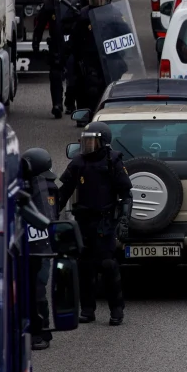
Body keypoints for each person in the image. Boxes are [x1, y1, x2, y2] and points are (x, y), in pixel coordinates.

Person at [57, 121, 131, 325]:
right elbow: (64, 191)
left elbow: (125, 194)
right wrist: (52, 211)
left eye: (92, 142)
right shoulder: (79, 162)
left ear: (104, 143)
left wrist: (124, 220)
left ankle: (116, 310)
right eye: (85, 141)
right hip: (84, 221)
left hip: (105, 221)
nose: (88, 146)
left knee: (108, 265)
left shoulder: (113, 161)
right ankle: (88, 310)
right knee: (85, 266)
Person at [21, 147, 58, 350]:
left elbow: (47, 219)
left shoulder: (45, 187)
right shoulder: (25, 185)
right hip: (24, 246)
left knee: (37, 290)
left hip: (39, 247)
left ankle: (42, 332)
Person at [33, 0, 77, 119]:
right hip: (57, 45)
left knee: (74, 74)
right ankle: (57, 104)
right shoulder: (48, 3)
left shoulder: (77, 4)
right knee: (55, 74)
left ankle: (70, 103)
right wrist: (36, 41)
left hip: (72, 44)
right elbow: (39, 24)